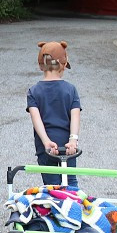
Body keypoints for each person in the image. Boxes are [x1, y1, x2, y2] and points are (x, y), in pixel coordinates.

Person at [27, 41, 81, 186]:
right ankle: (72, 208)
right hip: (68, 147)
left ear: (40, 66)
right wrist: (73, 141)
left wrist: (46, 142)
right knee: (70, 184)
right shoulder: (71, 89)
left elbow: (36, 119)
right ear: (63, 65)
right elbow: (75, 117)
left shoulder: (33, 91)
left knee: (51, 187)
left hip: (46, 148)